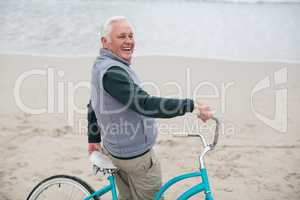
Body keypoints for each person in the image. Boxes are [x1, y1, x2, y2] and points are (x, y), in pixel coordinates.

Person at [88, 16, 212, 200]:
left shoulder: (102, 65)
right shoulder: (113, 72)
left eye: (131, 36)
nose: (129, 41)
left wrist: (93, 138)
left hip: (116, 152)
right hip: (136, 158)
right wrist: (191, 106)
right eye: (122, 36)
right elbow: (145, 104)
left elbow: (93, 103)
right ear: (105, 42)